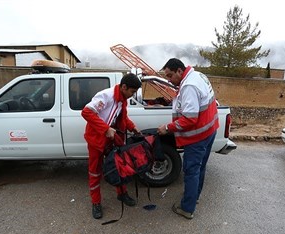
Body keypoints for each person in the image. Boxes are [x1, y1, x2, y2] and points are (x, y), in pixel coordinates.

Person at [157, 58, 219, 219]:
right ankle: (194, 197)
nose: (169, 80)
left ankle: (187, 208)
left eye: (170, 76)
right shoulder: (197, 75)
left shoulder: (189, 86)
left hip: (197, 136)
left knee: (191, 171)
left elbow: (190, 118)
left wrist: (167, 128)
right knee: (200, 167)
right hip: (209, 130)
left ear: (179, 71)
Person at [81, 73, 142, 219]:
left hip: (112, 139)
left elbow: (123, 117)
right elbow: (87, 112)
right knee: (95, 172)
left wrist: (133, 128)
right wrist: (105, 129)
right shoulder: (105, 96)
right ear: (124, 87)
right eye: (132, 92)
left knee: (119, 167)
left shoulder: (122, 99)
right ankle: (96, 203)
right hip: (96, 140)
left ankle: (122, 194)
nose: (132, 95)